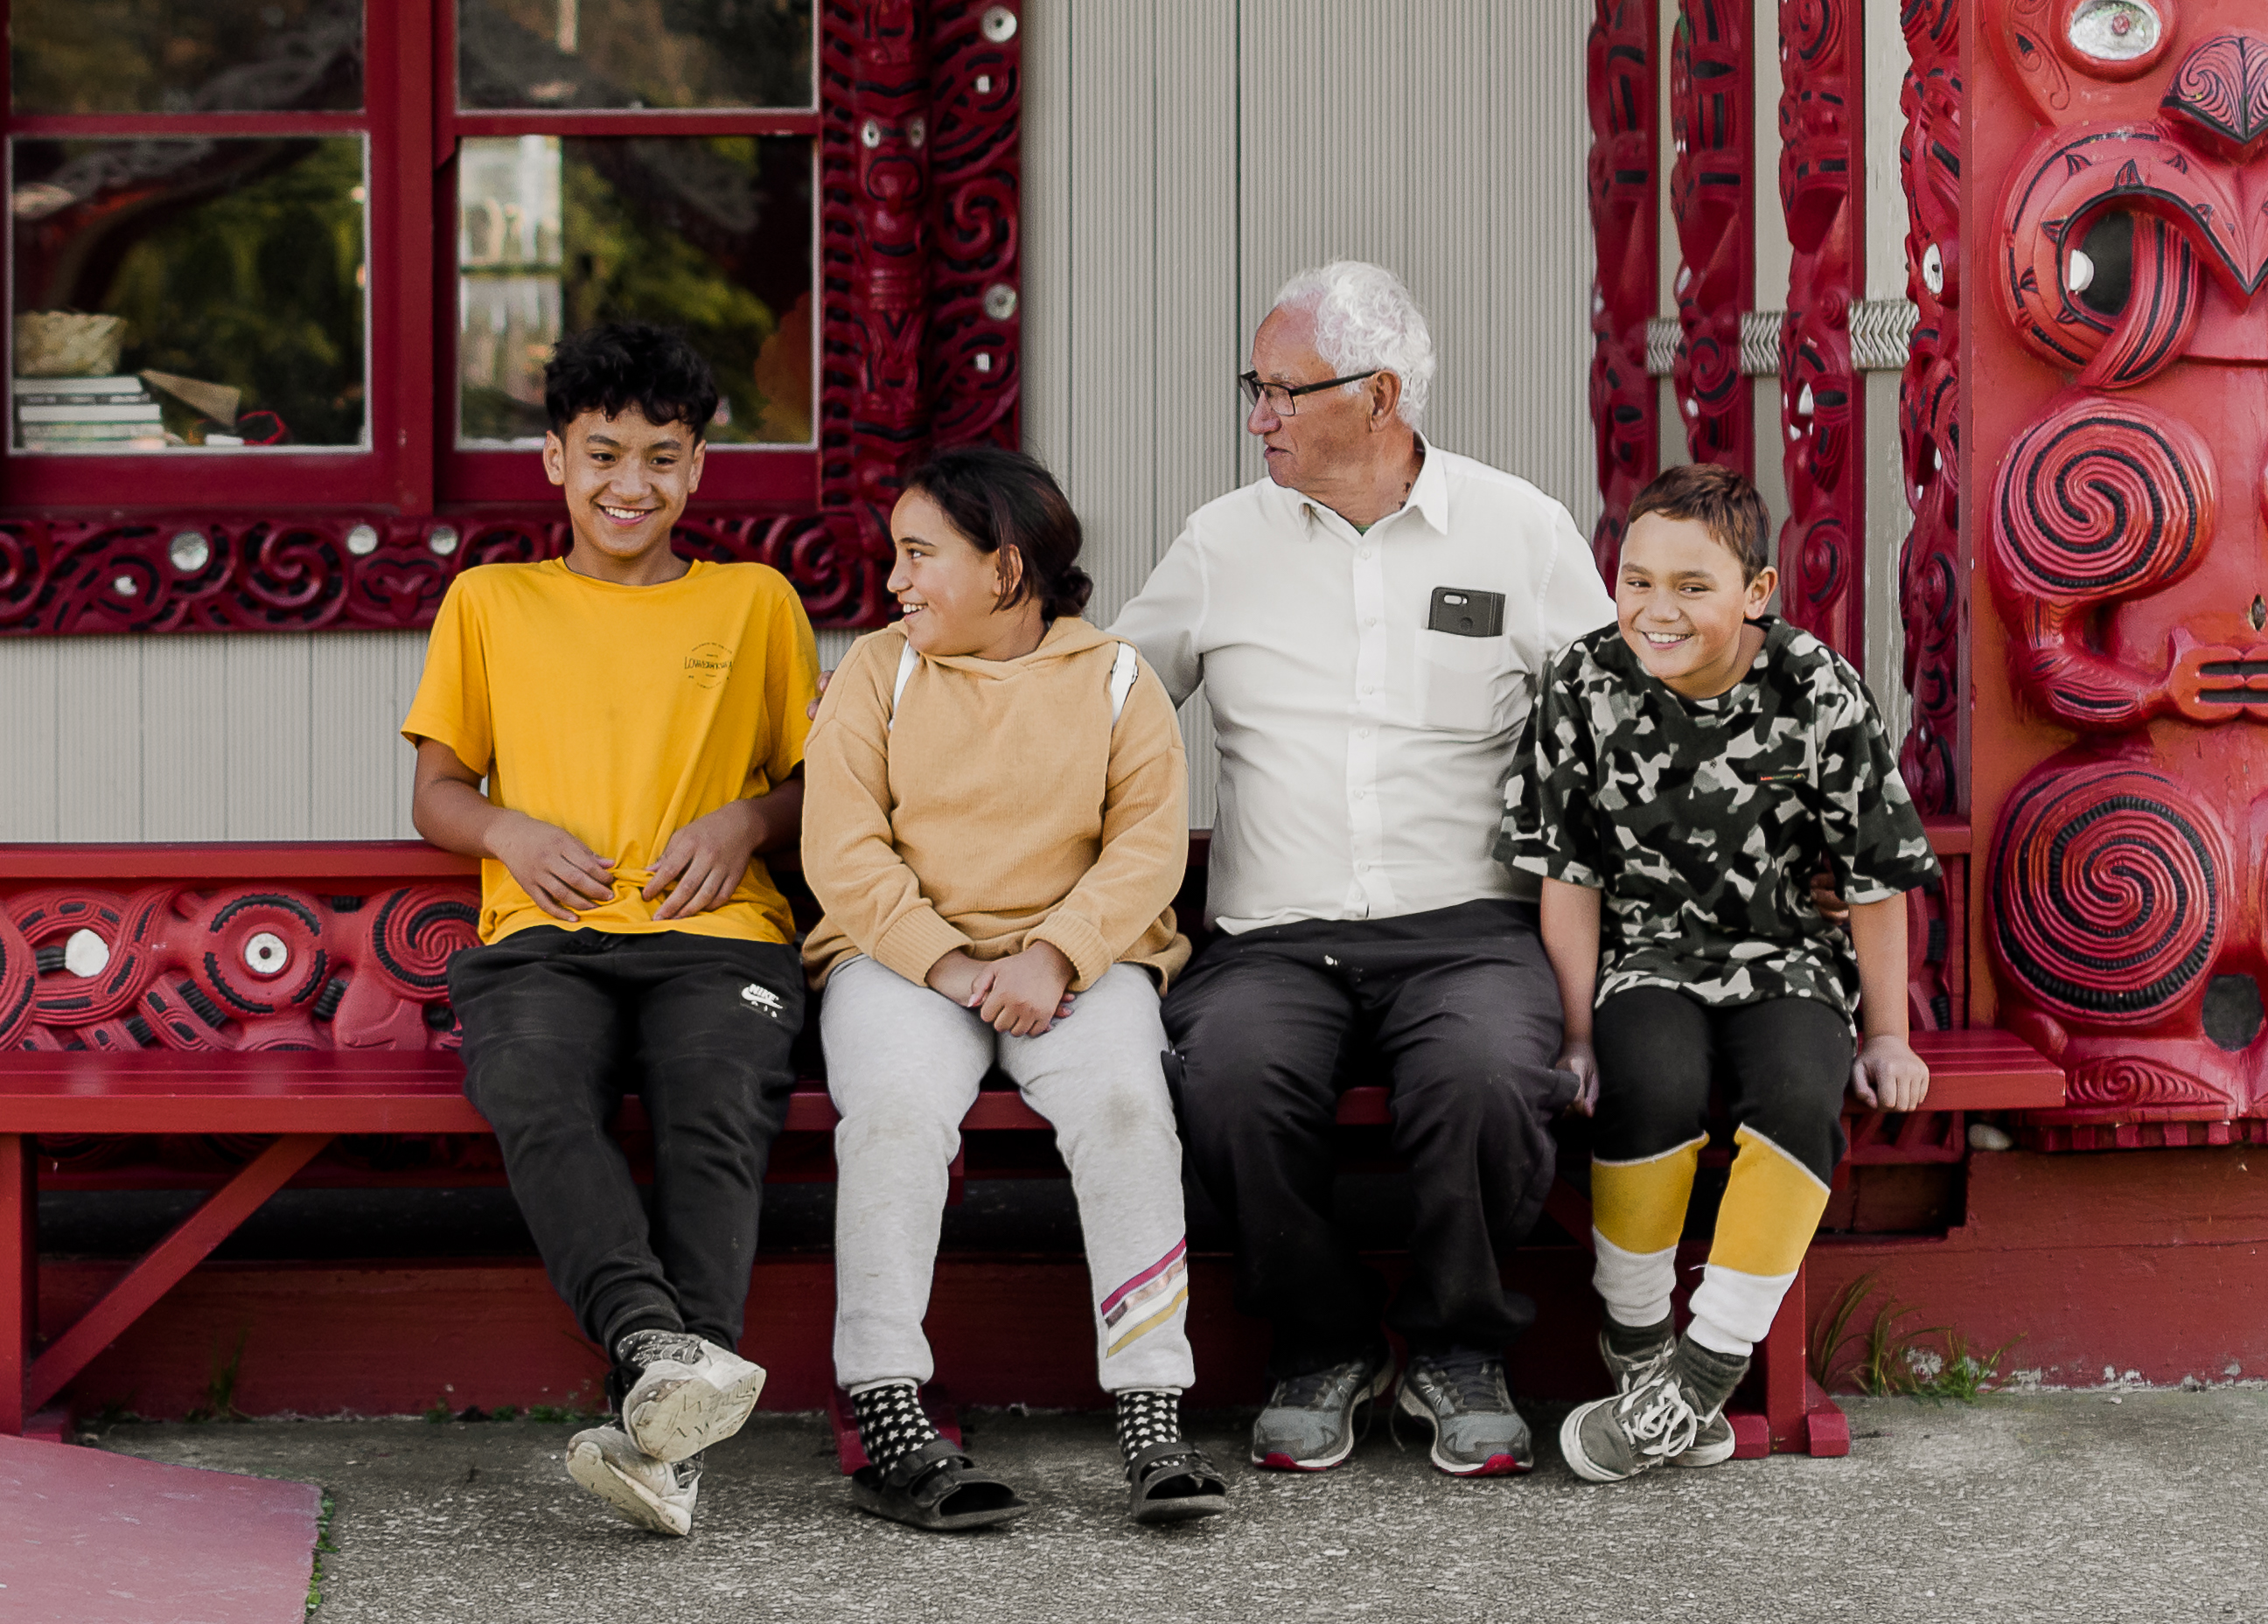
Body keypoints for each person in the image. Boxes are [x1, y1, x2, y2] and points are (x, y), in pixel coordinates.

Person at [1110, 260, 1617, 1477]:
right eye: (1256, 389)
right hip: (1275, 936)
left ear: (1380, 395)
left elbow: (1619, 723)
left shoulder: (1520, 530)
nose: (1257, 417)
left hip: (1472, 927)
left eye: (1281, 391)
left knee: (1496, 1074)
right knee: (1223, 1074)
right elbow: (1105, 701)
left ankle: (1456, 1347)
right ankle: (1321, 1340)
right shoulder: (1221, 542)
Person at [403, 322, 820, 1537]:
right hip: (545, 935)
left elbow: (814, 784)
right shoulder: (491, 603)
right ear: (552, 459)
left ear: (697, 469)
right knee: (528, 1081)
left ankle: (662, 1438)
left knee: (711, 1113)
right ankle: (654, 1351)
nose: (629, 484)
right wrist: (511, 836)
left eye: (661, 456)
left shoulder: (756, 604)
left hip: (722, 936)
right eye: (603, 454)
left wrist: (747, 819)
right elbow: (435, 793)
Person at [802, 443, 1228, 1530]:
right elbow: (841, 850)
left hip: (1073, 965)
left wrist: (1055, 955)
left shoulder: (1117, 679)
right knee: (894, 1117)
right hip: (903, 965)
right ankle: (890, 1413)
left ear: (1004, 569)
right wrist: (949, 964)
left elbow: (1143, 848)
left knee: (1129, 1113)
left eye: (917, 556)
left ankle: (1152, 1413)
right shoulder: (875, 674)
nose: (894, 582)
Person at [1501, 462, 1937, 1481]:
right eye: (1636, 581)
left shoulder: (1815, 687)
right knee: (1650, 1082)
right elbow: (1567, 879)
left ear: (1754, 592)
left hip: (1786, 957)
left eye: (1691, 587)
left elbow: (1874, 878)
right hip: (1643, 956)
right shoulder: (1582, 682)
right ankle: (1640, 1341)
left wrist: (1887, 1035)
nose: (1657, 610)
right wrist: (1573, 1035)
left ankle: (1702, 1373)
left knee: (1796, 1089)